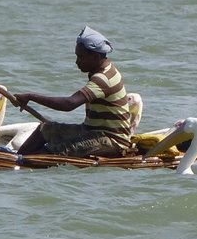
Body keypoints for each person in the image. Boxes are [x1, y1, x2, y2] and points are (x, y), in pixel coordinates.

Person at [10, 26, 133, 157]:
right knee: (44, 129)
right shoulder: (103, 70)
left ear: (96, 57)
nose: (77, 62)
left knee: (50, 152)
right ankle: (19, 158)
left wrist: (30, 96)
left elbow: (69, 104)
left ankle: (28, 161)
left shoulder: (104, 78)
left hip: (112, 141)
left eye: (81, 57)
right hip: (91, 131)